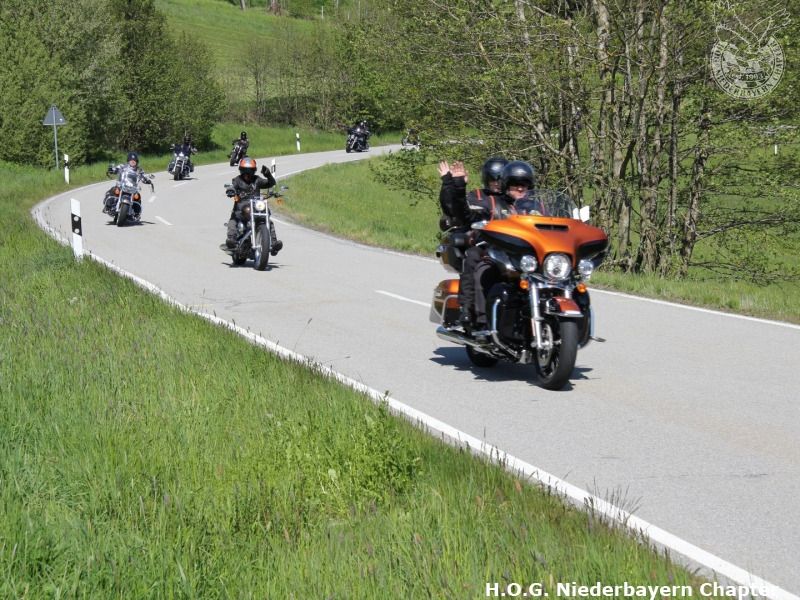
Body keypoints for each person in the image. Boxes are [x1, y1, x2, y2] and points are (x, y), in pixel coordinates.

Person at [437, 157, 509, 330]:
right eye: (493, 179)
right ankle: (467, 309)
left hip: (514, 249)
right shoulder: (477, 197)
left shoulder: (517, 199)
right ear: (486, 179)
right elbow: (455, 209)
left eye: (500, 179)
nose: (497, 183)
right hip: (485, 245)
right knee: (473, 256)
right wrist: (452, 184)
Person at [471, 160, 536, 332]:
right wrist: (454, 185)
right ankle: (483, 323)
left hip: (532, 257)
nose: (520, 188)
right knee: (484, 270)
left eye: (524, 184)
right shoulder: (494, 202)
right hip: (502, 254)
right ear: (507, 185)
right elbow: (469, 213)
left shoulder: (537, 206)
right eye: (515, 184)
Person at [225, 157, 283, 255]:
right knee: (234, 220)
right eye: (245, 171)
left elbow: (271, 183)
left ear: (254, 171)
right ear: (241, 170)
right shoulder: (237, 180)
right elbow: (232, 186)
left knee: (269, 221)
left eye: (250, 171)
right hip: (241, 207)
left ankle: (274, 243)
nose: (247, 174)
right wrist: (231, 190)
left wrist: (268, 175)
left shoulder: (257, 180)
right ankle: (231, 240)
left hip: (256, 207)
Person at [102, 151, 153, 218]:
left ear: (137, 161)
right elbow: (116, 169)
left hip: (133, 188)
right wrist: (112, 169)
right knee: (114, 190)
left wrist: (147, 180)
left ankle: (136, 214)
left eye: (134, 160)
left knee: (137, 197)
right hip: (121, 185)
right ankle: (107, 206)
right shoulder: (123, 166)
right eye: (131, 160)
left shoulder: (139, 170)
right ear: (128, 160)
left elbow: (143, 176)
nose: (133, 162)